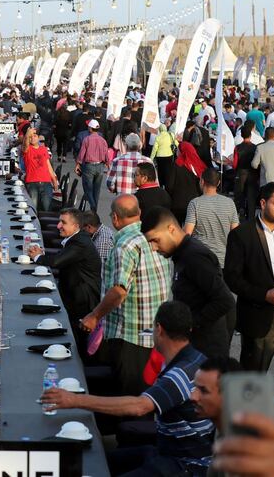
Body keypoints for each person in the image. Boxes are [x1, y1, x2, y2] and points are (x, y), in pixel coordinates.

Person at [42, 302, 214, 476]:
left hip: (185, 465)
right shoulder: (197, 359)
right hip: (167, 452)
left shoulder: (179, 374)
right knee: (96, 461)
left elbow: (139, 407)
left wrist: (74, 400)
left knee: (94, 466)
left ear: (159, 329)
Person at [224, 182, 274, 402]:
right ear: (263, 203)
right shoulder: (242, 234)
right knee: (252, 379)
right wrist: (263, 295)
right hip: (261, 317)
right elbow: (231, 278)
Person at [80, 195, 171, 396]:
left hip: (131, 336)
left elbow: (119, 291)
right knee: (147, 392)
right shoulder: (151, 236)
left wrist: (94, 316)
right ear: (139, 213)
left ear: (114, 218)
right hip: (154, 331)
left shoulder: (125, 245)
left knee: (129, 397)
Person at [142, 206, 234, 359]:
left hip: (206, 352)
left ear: (171, 229)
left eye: (155, 240)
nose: (153, 248)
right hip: (195, 348)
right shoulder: (182, 255)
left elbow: (225, 300)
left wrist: (189, 324)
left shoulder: (194, 257)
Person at [27, 208, 101, 351]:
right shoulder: (76, 239)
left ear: (76, 226)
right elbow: (63, 257)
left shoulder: (80, 243)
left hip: (82, 300)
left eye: (63, 223)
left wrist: (37, 257)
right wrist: (43, 254)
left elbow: (56, 262)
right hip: (75, 293)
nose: (58, 226)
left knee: (77, 338)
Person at [183, 169, 240, 268]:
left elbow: (187, 233)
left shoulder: (195, 203)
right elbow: (235, 233)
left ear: (202, 181)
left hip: (201, 260)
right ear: (218, 183)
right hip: (224, 260)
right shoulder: (229, 203)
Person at [166, 142, 205, 225]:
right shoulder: (199, 165)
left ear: (182, 151)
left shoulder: (176, 165)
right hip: (195, 204)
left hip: (178, 204)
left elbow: (169, 186)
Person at [74, 120, 109, 212]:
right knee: (96, 190)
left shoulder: (87, 139)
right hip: (100, 166)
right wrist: (108, 164)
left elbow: (82, 154)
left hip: (89, 166)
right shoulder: (103, 140)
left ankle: (92, 205)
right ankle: (94, 211)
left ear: (90, 128)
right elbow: (106, 155)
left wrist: (78, 164)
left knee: (88, 188)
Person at [22, 127, 59, 211]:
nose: (32, 138)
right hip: (32, 182)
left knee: (47, 208)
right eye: (30, 137)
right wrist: (28, 133)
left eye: (34, 136)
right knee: (33, 208)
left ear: (38, 137)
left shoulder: (44, 149)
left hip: (46, 182)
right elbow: (25, 145)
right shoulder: (27, 150)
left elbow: (48, 166)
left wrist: (54, 180)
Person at [233, 125, 260, 220]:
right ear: (250, 135)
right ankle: (250, 217)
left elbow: (235, 164)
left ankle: (238, 214)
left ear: (241, 135)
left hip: (241, 173)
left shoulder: (237, 148)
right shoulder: (255, 147)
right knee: (251, 196)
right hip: (252, 174)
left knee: (239, 195)